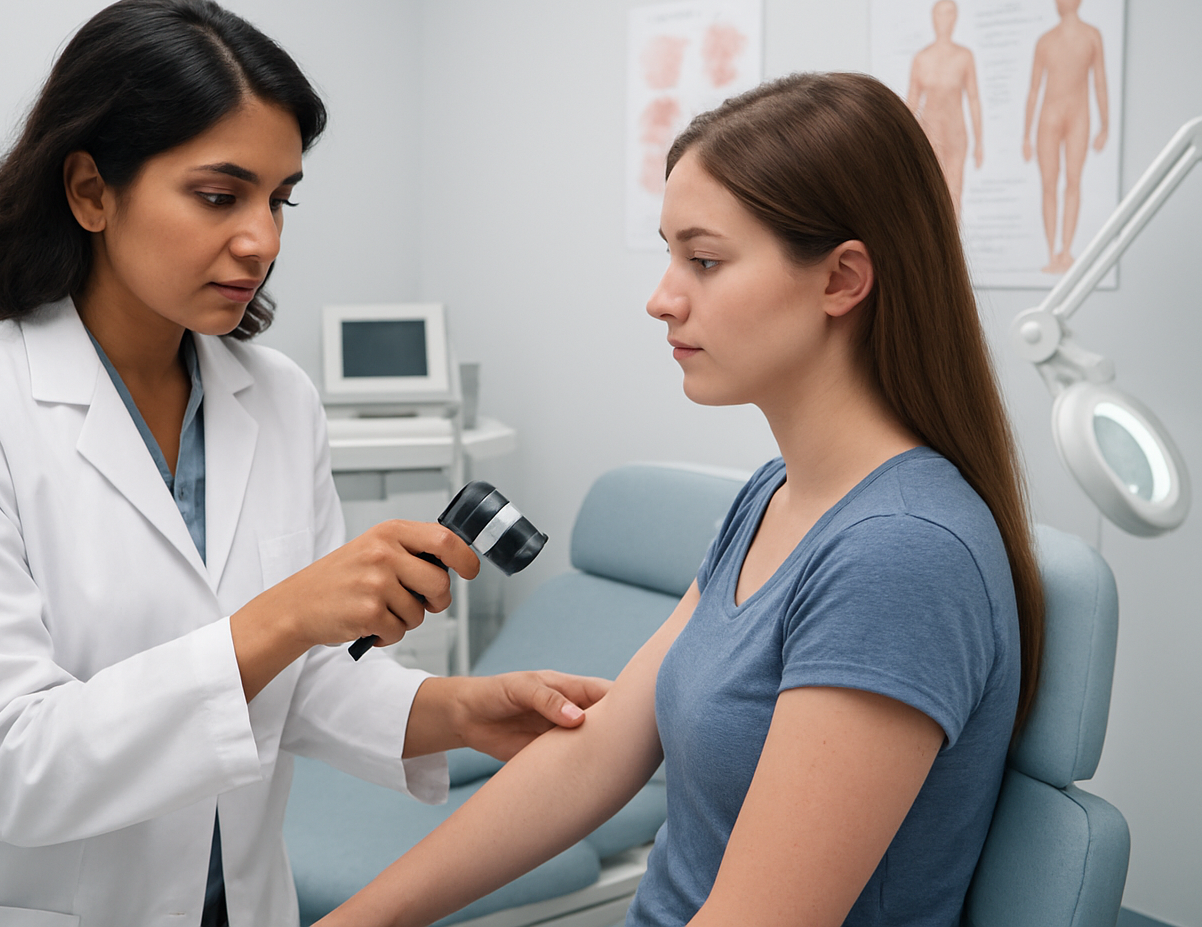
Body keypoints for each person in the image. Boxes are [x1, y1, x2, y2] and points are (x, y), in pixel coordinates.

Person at [0, 0, 607, 927]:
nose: (263, 240)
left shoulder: (277, 400)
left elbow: (293, 682)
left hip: (226, 899)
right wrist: (281, 617)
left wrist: (458, 711)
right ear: (90, 191)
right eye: (218, 195)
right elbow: (7, 765)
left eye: (280, 199)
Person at [319, 72, 1045, 927]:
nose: (662, 297)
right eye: (670, 255)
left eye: (703, 260)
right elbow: (593, 758)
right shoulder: (775, 494)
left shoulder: (901, 557)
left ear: (842, 279)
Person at [1022, 0, 1109, 274]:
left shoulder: (1091, 35)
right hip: (1049, 116)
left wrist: (1105, 125)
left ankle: (1067, 251)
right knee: (1049, 184)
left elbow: (1100, 83)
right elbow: (1033, 89)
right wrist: (1025, 135)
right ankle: (1050, 253)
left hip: (1079, 115)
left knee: (1073, 180)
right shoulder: (1046, 40)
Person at [907, 0, 983, 215]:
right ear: (933, 18)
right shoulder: (921, 59)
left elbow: (974, 98)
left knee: (955, 192)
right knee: (930, 193)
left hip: (956, 132)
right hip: (929, 131)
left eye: (950, 13)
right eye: (940, 13)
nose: (944, 19)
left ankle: (952, 244)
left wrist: (980, 142)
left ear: (956, 18)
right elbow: (912, 100)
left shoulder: (964, 56)